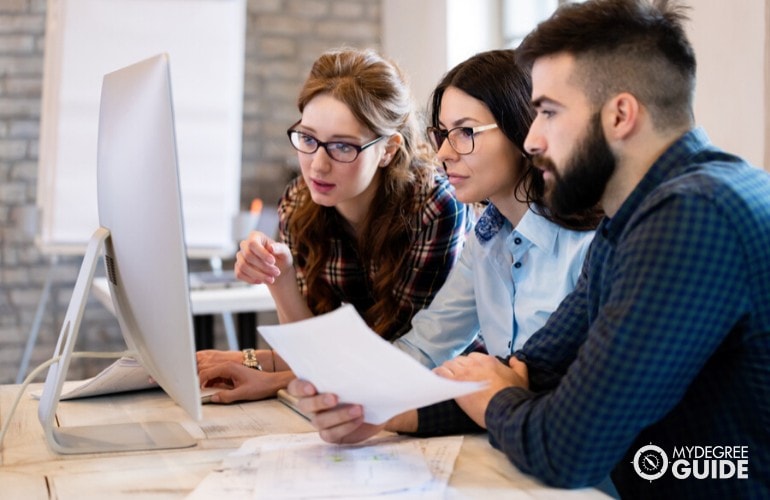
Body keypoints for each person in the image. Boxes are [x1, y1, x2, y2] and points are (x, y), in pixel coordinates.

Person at [287, 1, 770, 498]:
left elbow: (568, 447)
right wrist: (381, 414)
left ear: (621, 114)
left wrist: (498, 397)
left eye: (548, 113)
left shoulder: (692, 216)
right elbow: (535, 370)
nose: (532, 139)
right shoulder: (634, 218)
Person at [196, 48, 468, 403]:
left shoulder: (434, 205)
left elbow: (404, 358)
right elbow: (316, 354)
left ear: (387, 150)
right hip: (349, 396)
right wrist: (280, 277)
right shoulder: (299, 203)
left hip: (440, 396)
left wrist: (270, 377)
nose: (317, 167)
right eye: (308, 139)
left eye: (342, 146)